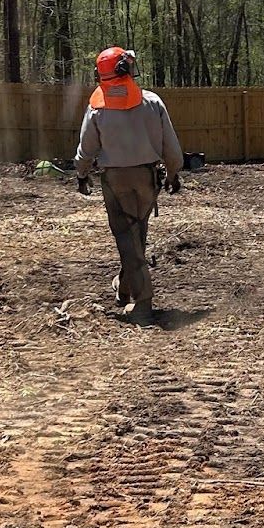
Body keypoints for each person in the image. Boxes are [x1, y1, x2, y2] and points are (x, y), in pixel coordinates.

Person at [73, 47, 184, 324]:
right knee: (137, 234)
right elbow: (171, 148)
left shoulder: (97, 109)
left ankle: (143, 303)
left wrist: (82, 174)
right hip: (147, 178)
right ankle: (124, 287)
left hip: (115, 180)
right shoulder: (152, 102)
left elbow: (86, 149)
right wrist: (173, 174)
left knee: (126, 238)